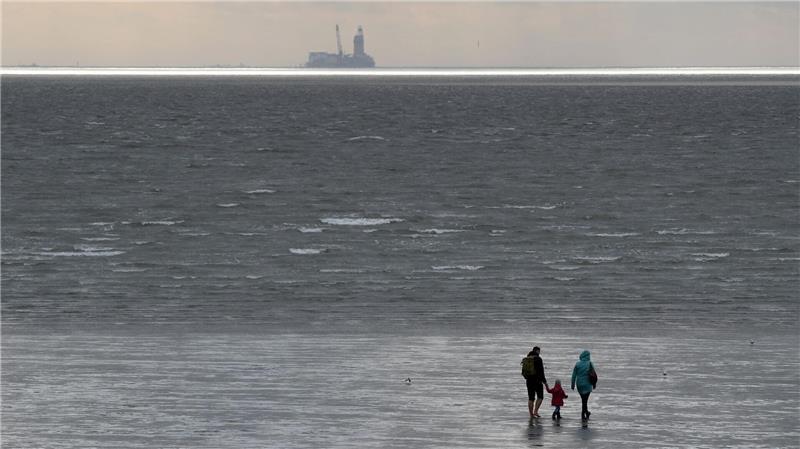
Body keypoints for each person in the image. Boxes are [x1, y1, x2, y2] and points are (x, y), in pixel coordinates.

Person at [522, 346, 548, 417]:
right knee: (540, 397)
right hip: (538, 381)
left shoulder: (527, 359)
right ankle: (536, 411)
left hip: (529, 381)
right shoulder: (538, 359)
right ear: (537, 351)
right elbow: (541, 372)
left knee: (531, 398)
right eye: (539, 351)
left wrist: (528, 378)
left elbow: (524, 372)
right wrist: (545, 382)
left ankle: (531, 414)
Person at [571, 350, 596, 420]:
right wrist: (594, 384)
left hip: (579, 384)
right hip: (588, 384)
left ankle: (586, 412)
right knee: (585, 400)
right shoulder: (590, 363)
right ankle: (583, 414)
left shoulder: (577, 364)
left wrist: (572, 384)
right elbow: (594, 375)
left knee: (583, 400)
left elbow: (574, 375)